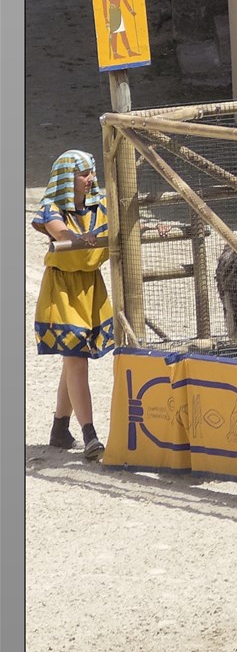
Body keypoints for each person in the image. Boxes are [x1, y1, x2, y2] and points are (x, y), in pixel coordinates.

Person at [33, 149, 115, 453]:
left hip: (91, 285)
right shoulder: (51, 209)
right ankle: (90, 434)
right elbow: (62, 233)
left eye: (91, 172)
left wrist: (152, 226)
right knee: (76, 358)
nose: (90, 179)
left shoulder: (101, 206)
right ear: (68, 178)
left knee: (74, 358)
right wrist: (80, 239)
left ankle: (59, 428)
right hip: (63, 290)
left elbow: (124, 224)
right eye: (83, 174)